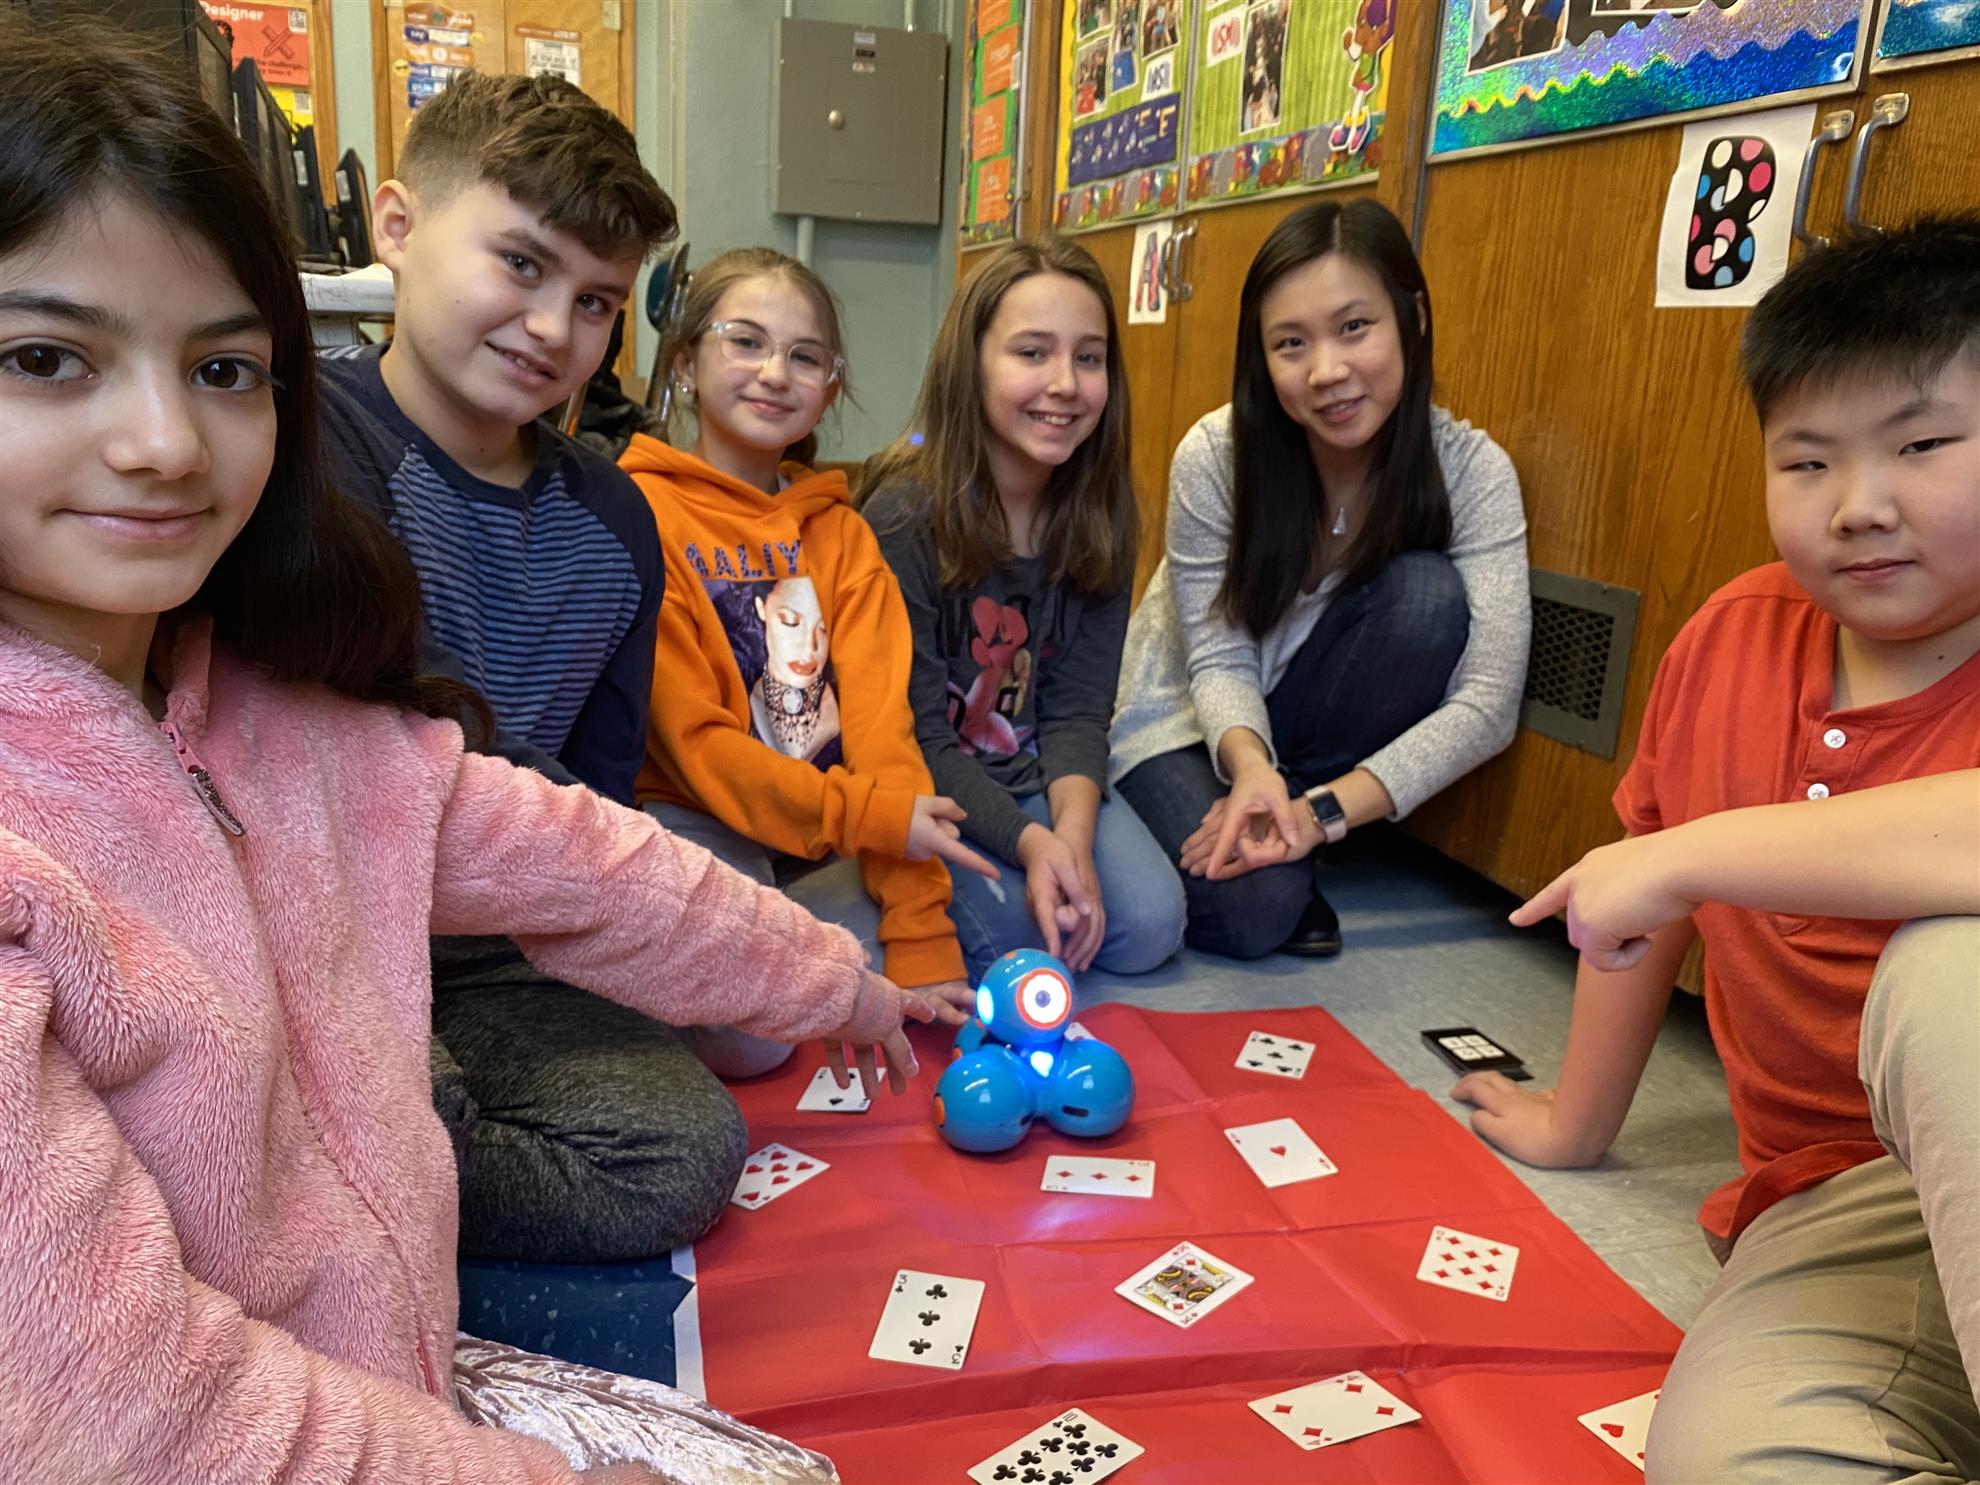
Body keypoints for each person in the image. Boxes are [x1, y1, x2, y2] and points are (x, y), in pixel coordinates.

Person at [0, 24, 945, 1479]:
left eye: (225, 370)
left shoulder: (287, 699)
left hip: (383, 1341)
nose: (161, 445)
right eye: (48, 358)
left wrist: (839, 979)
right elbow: (122, 1412)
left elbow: (580, 841)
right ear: (400, 236)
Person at [1454, 217, 1980, 1483]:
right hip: (1846, 1211)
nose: (1860, 507)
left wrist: (1705, 852)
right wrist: (1574, 1124)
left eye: (1923, 446)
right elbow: (1639, 903)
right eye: (1807, 462)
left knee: (1948, 978)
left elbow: (1669, 869)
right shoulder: (1738, 633)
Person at [312, 71, 741, 1265]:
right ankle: (360, 1161)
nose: (556, 328)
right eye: (519, 264)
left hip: (503, 948)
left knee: (684, 1147)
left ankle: (364, 1175)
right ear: (395, 229)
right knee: (396, 1112)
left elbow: (600, 795)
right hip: (336, 935)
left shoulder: (615, 514)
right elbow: (419, 723)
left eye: (599, 302)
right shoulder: (310, 445)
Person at [1111, 198, 1530, 959]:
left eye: (1354, 327)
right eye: (1291, 343)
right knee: (1254, 913)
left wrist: (1315, 813)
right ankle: (1244, 838)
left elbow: (1489, 704)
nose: (1327, 371)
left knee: (1429, 598)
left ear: (1415, 318)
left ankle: (1299, 833)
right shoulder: (1216, 456)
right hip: (1191, 720)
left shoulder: (1472, 470)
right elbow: (1218, 657)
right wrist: (1250, 770)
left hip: (1315, 749)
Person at [619, 248, 989, 1077]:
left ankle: (790, 930)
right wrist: (875, 822)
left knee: (956, 936)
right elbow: (699, 748)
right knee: (753, 1043)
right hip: (699, 812)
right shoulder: (642, 511)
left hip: (827, 824)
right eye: (744, 341)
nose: (774, 372)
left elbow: (883, 733)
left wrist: (923, 933)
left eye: (805, 356)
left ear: (829, 384)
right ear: (684, 362)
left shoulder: (843, 532)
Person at [858, 238, 1186, 982]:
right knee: (1025, 934)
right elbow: (918, 740)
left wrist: (1068, 838)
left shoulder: (1101, 514)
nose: (1065, 384)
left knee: (1149, 924)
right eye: (1032, 353)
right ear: (971, 365)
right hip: (927, 783)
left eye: (1090, 357)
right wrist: (1033, 847)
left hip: (1036, 772)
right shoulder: (903, 514)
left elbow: (1076, 713)